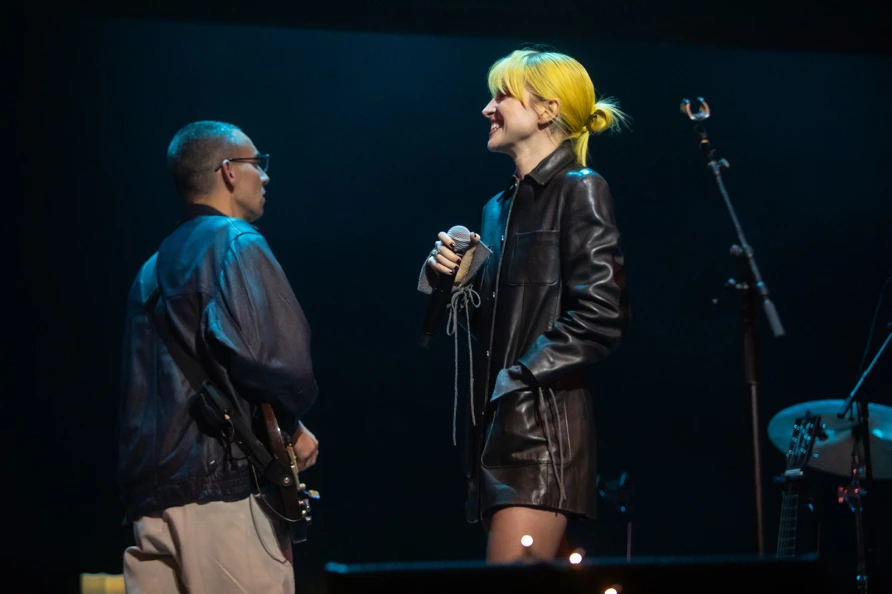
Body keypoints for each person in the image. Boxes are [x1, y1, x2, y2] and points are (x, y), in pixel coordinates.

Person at [419, 48, 630, 563]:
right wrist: (448, 284)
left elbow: (602, 314)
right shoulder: (498, 207)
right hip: (498, 432)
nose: (487, 109)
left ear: (546, 110)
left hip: (540, 435)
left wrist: (519, 377)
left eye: (502, 96)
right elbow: (491, 329)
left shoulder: (581, 189)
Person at [117, 120, 319, 593]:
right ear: (229, 172)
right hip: (221, 495)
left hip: (150, 502)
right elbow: (282, 362)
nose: (265, 176)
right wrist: (291, 428)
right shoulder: (235, 243)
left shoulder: (151, 268)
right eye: (257, 164)